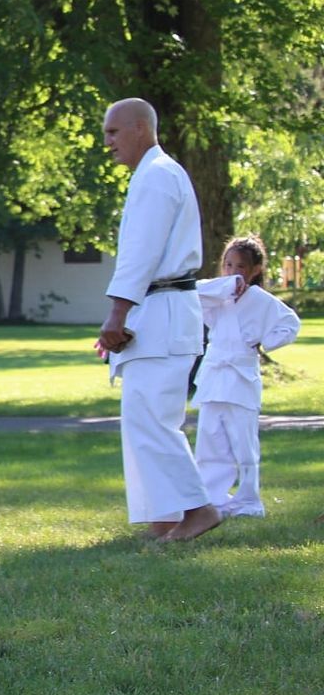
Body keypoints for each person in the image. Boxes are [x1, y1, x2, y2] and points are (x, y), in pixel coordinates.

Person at [98, 98, 219, 541]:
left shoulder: (156, 176)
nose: (107, 141)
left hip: (162, 312)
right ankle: (164, 515)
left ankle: (198, 508)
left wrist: (117, 312)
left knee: (152, 420)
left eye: (113, 132)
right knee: (142, 419)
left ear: (140, 128)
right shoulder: (155, 175)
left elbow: (141, 253)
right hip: (159, 313)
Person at [193, 235, 300, 519]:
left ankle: (248, 500)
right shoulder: (216, 296)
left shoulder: (262, 301)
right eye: (227, 265)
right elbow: (192, 293)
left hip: (240, 375)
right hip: (215, 373)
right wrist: (225, 286)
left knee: (243, 442)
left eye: (239, 266)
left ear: (255, 270)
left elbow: (290, 324)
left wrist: (265, 340)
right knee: (209, 437)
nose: (232, 271)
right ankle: (213, 498)